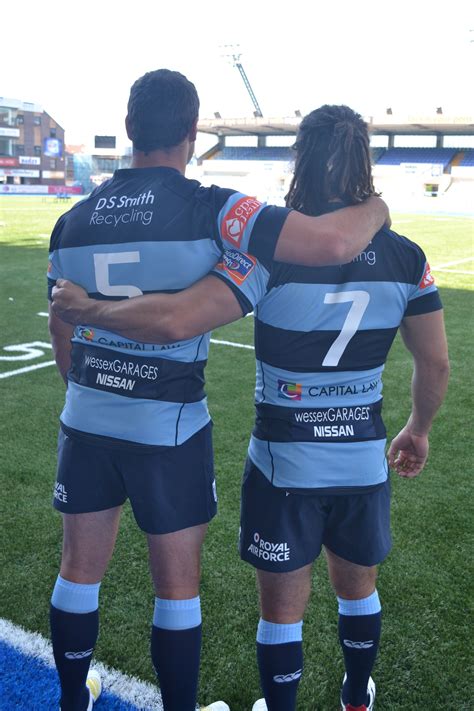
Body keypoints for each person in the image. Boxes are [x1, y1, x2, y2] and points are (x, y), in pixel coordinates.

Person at [51, 105, 449, 710]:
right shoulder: (408, 258)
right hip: (361, 456)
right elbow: (436, 362)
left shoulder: (264, 254)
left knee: (277, 610)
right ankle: (356, 697)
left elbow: (172, 317)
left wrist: (84, 327)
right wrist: (418, 428)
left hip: (278, 459)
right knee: (357, 589)